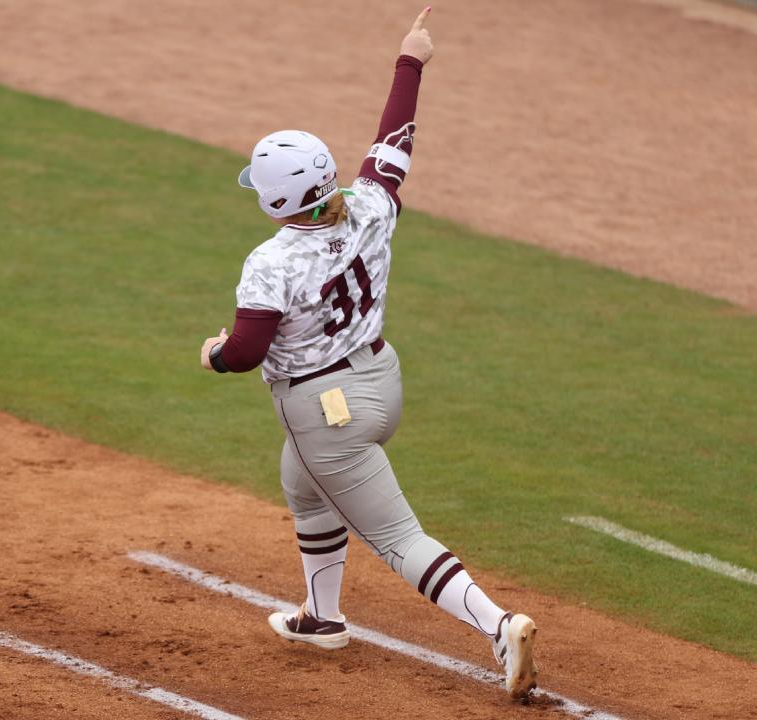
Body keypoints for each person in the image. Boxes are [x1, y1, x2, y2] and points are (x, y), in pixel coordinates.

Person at [199, 7, 538, 701]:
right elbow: (393, 143)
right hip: (381, 383)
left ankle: (498, 624)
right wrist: (409, 61)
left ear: (273, 200)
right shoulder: (371, 204)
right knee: (302, 483)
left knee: (397, 538)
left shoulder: (271, 261)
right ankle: (321, 618)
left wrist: (212, 355)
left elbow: (246, 351)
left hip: (328, 411)